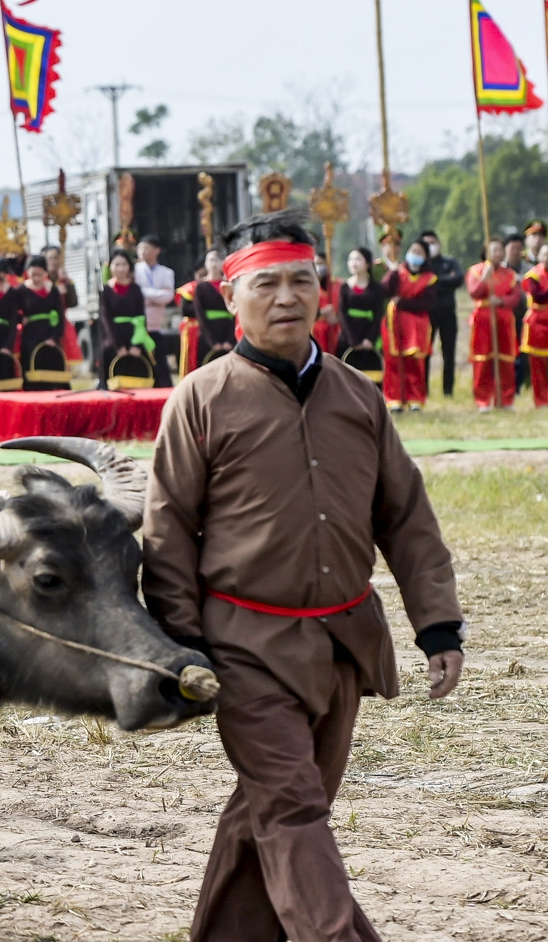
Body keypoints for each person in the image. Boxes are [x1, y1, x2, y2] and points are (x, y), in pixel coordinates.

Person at [142, 209, 465, 942]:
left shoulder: (358, 397)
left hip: (341, 644)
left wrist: (436, 623)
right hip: (242, 647)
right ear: (230, 298)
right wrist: (180, 646)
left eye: (301, 280)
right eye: (267, 284)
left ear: (322, 289)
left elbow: (405, 517)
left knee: (273, 811)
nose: (286, 297)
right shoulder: (200, 399)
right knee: (292, 807)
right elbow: (165, 531)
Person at [466, 237, 520, 412]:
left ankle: (505, 399)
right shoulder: (475, 271)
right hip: (482, 319)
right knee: (482, 361)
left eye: (500, 250)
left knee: (505, 361)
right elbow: (474, 293)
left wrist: (502, 301)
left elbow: (516, 296)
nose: (498, 253)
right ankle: (483, 400)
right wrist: (484, 278)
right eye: (494, 250)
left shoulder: (510, 274)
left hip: (503, 319)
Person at [382, 239, 437, 411]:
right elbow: (385, 290)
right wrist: (391, 273)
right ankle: (394, 399)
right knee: (394, 361)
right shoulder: (397, 272)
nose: (415, 255)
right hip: (395, 322)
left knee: (415, 362)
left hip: (417, 324)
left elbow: (426, 303)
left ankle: (415, 399)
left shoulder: (430, 278)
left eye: (419, 252)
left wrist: (403, 302)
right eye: (413, 250)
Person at [417, 231, 464, 398]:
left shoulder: (449, 262)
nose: (431, 246)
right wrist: (444, 281)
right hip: (426, 315)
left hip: (447, 314)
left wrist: (435, 280)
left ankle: (448, 390)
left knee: (449, 353)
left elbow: (458, 279)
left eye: (433, 242)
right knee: (424, 353)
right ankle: (423, 390)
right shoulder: (420, 265)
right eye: (426, 243)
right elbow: (420, 284)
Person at [97, 248, 151, 389]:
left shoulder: (136, 289)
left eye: (124, 264)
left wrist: (136, 345)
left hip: (134, 336)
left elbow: (141, 317)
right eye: (117, 265)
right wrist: (118, 345)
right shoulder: (106, 291)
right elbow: (106, 319)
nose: (120, 269)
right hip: (114, 337)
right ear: (111, 267)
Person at [177, 249, 233, 379]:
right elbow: (200, 315)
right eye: (211, 259)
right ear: (205, 264)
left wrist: (230, 340)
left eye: (218, 259)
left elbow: (236, 313)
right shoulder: (200, 287)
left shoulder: (229, 285)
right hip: (208, 333)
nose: (214, 263)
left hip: (227, 330)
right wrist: (212, 341)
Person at [17, 255, 69, 391]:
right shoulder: (21, 291)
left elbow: (60, 315)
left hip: (50, 333)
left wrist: (54, 337)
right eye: (33, 274)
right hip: (31, 335)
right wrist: (20, 319)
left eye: (39, 274)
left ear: (45, 273)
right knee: (32, 366)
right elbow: (12, 311)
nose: (36, 278)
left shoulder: (52, 289)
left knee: (53, 369)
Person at [135, 235, 178, 385]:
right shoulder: (133, 271)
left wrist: (145, 294)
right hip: (138, 327)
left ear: (156, 250)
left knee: (160, 362)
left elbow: (168, 296)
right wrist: (155, 295)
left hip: (155, 325)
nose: (142, 251)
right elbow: (135, 294)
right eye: (140, 248)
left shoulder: (167, 273)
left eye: (146, 247)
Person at [337, 247, 385, 378]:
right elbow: (342, 313)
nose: (353, 262)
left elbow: (378, 315)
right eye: (351, 259)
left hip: (369, 336)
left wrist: (370, 339)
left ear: (368, 263)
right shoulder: (344, 287)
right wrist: (354, 341)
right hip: (349, 336)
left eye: (358, 259)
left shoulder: (377, 288)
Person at [518, 243, 548, 407]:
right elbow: (538, 296)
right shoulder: (533, 275)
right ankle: (541, 400)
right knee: (538, 365)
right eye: (544, 254)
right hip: (538, 323)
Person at [504, 233, 531, 392]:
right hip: (505, 316)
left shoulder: (529, 269)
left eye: (519, 248)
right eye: (512, 248)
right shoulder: (499, 269)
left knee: (522, 353)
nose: (515, 251)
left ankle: (519, 386)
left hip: (524, 316)